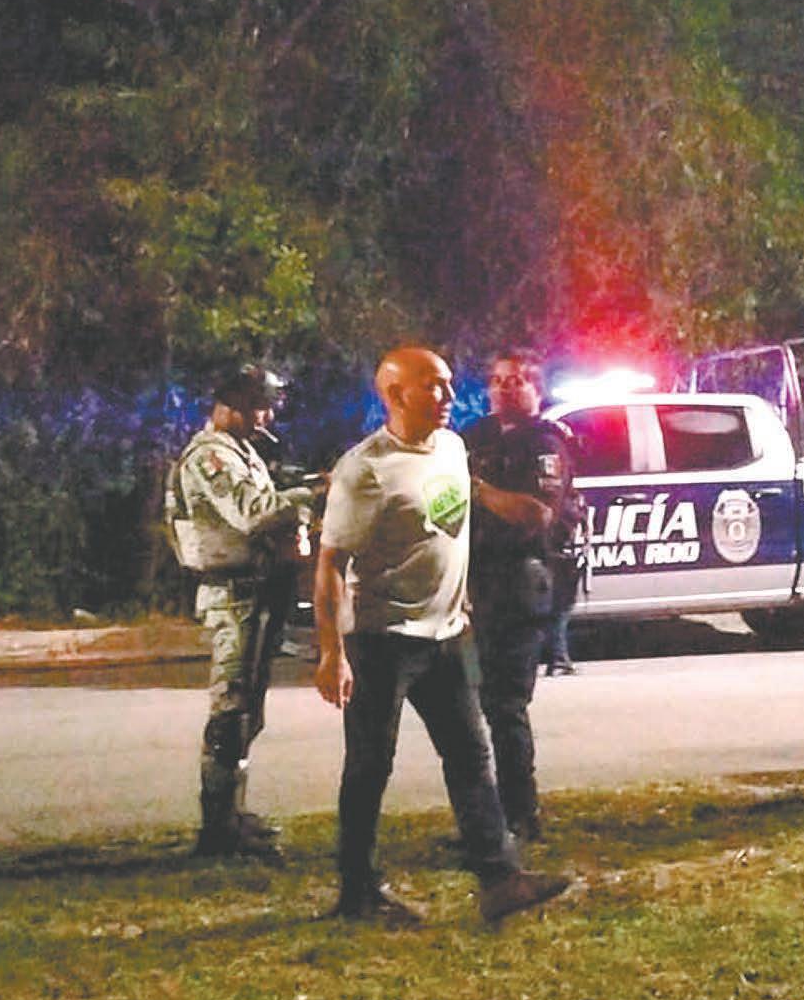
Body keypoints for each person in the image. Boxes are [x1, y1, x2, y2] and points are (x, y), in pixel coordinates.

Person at [314, 344, 571, 926]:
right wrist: (332, 651)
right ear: (395, 394)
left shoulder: (454, 448)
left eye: (450, 383)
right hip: (383, 638)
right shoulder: (366, 470)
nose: (450, 395)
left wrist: (462, 600)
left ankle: (499, 878)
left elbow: (449, 533)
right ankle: (356, 891)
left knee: (470, 754)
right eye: (433, 385)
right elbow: (330, 563)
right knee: (370, 765)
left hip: (447, 635)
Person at [165, 365, 319, 860]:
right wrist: (314, 493)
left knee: (248, 710)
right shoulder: (210, 456)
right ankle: (217, 828)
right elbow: (254, 513)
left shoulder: (240, 450)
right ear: (230, 405)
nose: (266, 417)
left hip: (257, 588)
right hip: (233, 594)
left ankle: (232, 813)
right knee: (231, 709)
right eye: (259, 407)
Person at [462, 352, 580, 843]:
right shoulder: (475, 437)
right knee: (471, 708)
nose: (503, 389)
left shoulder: (545, 443)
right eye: (496, 381)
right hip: (473, 583)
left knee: (506, 706)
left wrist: (476, 490)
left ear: (537, 389)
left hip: (518, 582)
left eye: (515, 381)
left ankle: (520, 814)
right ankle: (484, 820)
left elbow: (537, 514)